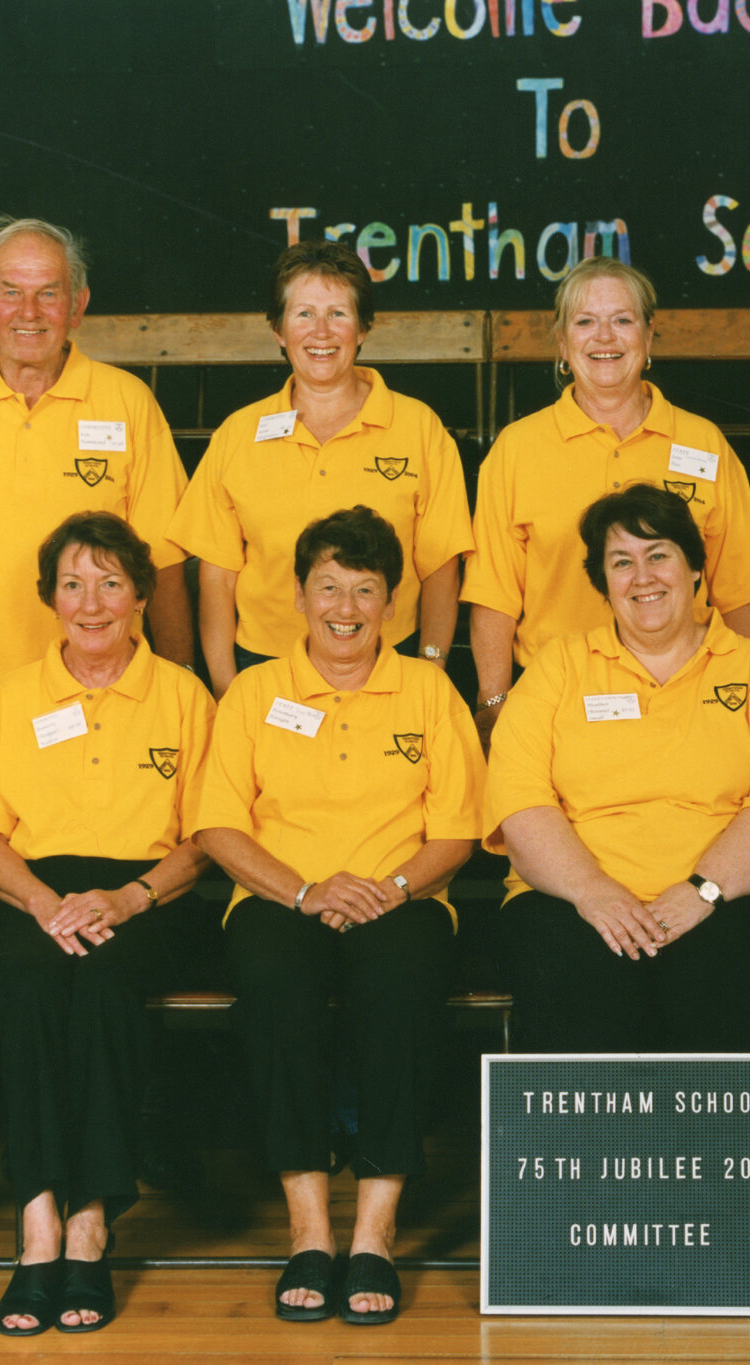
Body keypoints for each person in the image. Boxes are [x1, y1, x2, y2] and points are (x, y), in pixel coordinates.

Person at [194, 506, 485, 1327]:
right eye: (328, 587)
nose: (345, 607)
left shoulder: (429, 691)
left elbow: (457, 831)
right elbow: (218, 825)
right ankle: (310, 1230)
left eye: (364, 589)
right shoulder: (255, 693)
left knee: (401, 989)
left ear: (391, 602)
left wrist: (389, 888)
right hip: (280, 898)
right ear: (297, 596)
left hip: (403, 898)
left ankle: (374, 1230)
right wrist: (304, 891)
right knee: (275, 987)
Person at [0, 512, 215, 1336]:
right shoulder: (14, 695)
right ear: (50, 598)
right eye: (72, 584)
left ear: (142, 596)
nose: (92, 602)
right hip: (32, 892)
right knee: (31, 985)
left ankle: (90, 1223)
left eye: (111, 582)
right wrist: (44, 903)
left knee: (107, 983)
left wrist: (130, 897)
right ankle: (38, 1220)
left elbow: (205, 837)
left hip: (148, 895)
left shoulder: (182, 695)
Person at [483, 484, 750, 1053]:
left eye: (658, 554)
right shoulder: (556, 667)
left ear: (694, 568)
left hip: (732, 900)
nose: (642, 577)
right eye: (621, 562)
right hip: (572, 901)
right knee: (583, 993)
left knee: (720, 987)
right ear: (602, 582)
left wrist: (702, 892)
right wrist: (594, 892)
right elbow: (520, 799)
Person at [465, 257, 750, 748]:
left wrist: (742, 699)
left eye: (622, 320)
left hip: (688, 700)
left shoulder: (704, 444)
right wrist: (494, 705)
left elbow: (740, 593)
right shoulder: (517, 450)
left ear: (648, 336)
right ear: (563, 343)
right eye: (585, 322)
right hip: (557, 703)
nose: (604, 337)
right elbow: (494, 597)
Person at [0, 216, 193, 703]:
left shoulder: (129, 404)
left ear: (78, 305)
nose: (29, 312)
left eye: (49, 293)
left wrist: (180, 689)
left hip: (102, 696)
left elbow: (164, 565)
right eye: (11, 293)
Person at [170, 241, 472, 698]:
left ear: (363, 327)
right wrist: (226, 688)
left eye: (338, 314)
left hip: (388, 663)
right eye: (304, 314)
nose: (321, 332)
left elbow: (441, 569)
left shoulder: (419, 428)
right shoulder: (237, 435)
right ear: (278, 330)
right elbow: (217, 579)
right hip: (265, 666)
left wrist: (431, 669)